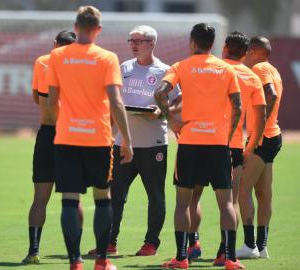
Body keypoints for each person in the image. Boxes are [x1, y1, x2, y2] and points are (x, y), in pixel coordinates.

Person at [46, 6, 133, 270]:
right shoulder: (106, 58)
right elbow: (116, 102)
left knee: (70, 199)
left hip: (67, 138)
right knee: (102, 197)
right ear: (98, 29)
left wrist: (67, 122)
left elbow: (51, 101)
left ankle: (75, 262)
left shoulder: (57, 56)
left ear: (75, 26)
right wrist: (127, 140)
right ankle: (102, 261)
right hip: (98, 138)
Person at [155, 23, 245, 270]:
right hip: (218, 143)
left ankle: (181, 258)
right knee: (226, 203)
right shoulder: (226, 69)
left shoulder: (180, 67)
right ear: (213, 44)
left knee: (183, 203)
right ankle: (230, 259)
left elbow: (159, 93)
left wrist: (170, 118)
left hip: (190, 143)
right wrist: (227, 134)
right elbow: (237, 106)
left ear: (192, 42)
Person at [88, 25, 181, 257]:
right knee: (114, 195)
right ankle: (109, 242)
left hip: (153, 143)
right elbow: (116, 102)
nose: (133, 44)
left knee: (155, 196)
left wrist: (162, 111)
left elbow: (179, 100)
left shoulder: (164, 70)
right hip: (123, 142)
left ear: (151, 43)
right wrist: (108, 133)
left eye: (138, 41)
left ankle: (151, 243)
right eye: (131, 40)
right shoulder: (124, 67)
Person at [186, 32, 267, 267]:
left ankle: (192, 244)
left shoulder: (214, 68)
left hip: (202, 140)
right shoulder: (251, 77)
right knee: (230, 203)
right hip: (233, 147)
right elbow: (260, 116)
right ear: (245, 53)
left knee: (191, 198)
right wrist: (249, 147)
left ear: (224, 49)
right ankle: (225, 251)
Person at [22, 30, 85, 265]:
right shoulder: (79, 64)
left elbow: (37, 99)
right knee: (73, 199)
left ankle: (33, 250)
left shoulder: (43, 61)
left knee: (40, 198)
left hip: (48, 133)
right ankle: (75, 253)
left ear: (54, 44)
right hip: (71, 135)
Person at [236, 36, 283, 259]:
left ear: (254, 52)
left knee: (242, 190)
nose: (245, 57)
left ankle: (249, 245)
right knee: (264, 194)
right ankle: (262, 246)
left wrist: (256, 133)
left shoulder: (260, 69)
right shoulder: (273, 69)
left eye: (247, 52)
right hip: (273, 136)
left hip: (262, 138)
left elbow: (271, 96)